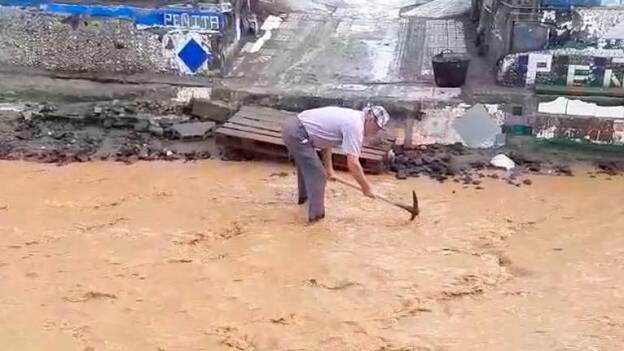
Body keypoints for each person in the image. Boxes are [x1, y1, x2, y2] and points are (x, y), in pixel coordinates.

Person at [281, 105, 390, 222]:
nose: (376, 132)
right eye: (377, 128)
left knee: (308, 169)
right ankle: (316, 219)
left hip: (293, 127)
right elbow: (353, 164)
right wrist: (366, 187)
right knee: (318, 175)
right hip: (298, 132)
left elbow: (326, 141)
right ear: (370, 120)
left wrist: (329, 168)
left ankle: (305, 203)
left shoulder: (354, 117)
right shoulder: (355, 126)